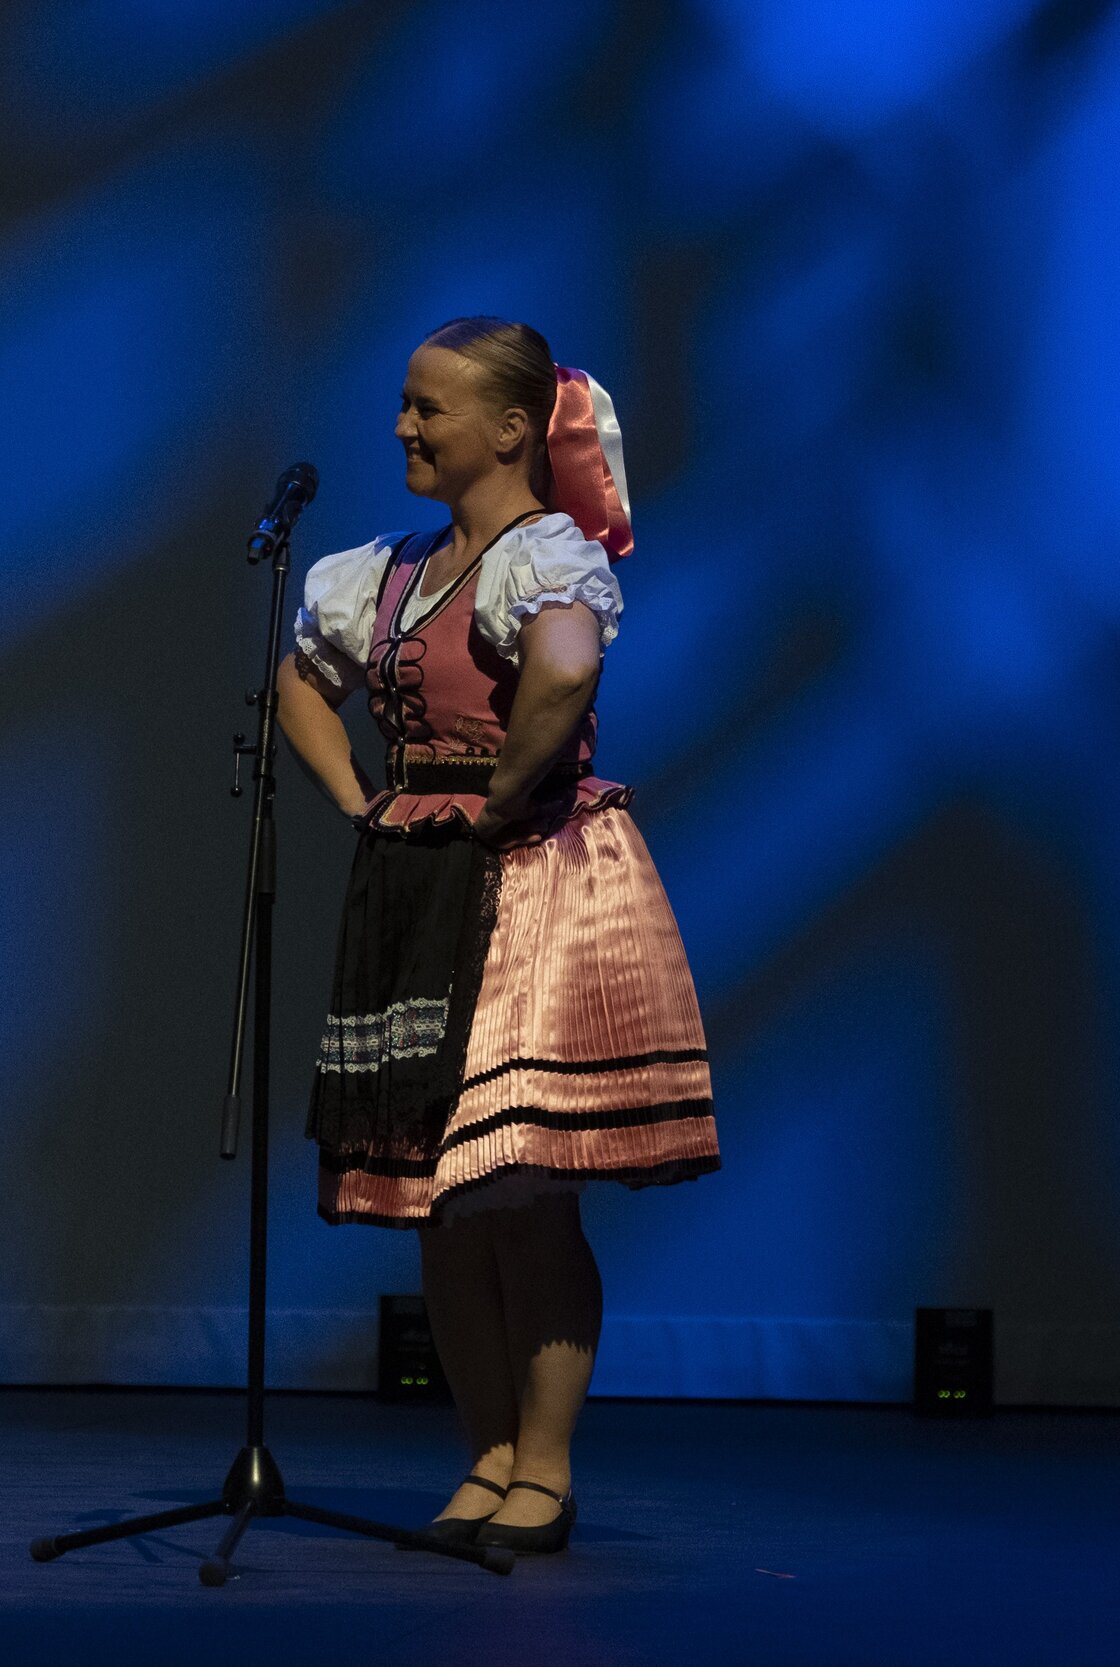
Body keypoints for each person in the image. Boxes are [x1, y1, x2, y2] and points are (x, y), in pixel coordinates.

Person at [277, 317, 717, 1556]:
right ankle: (482, 1451)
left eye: (430, 408)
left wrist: (499, 791)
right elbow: (302, 682)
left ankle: (546, 1463)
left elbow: (566, 671)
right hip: (422, 880)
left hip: (531, 890)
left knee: (518, 1190)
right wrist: (366, 801)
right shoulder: (390, 569)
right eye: (405, 404)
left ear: (515, 429)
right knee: (438, 1202)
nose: (405, 427)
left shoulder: (549, 556)